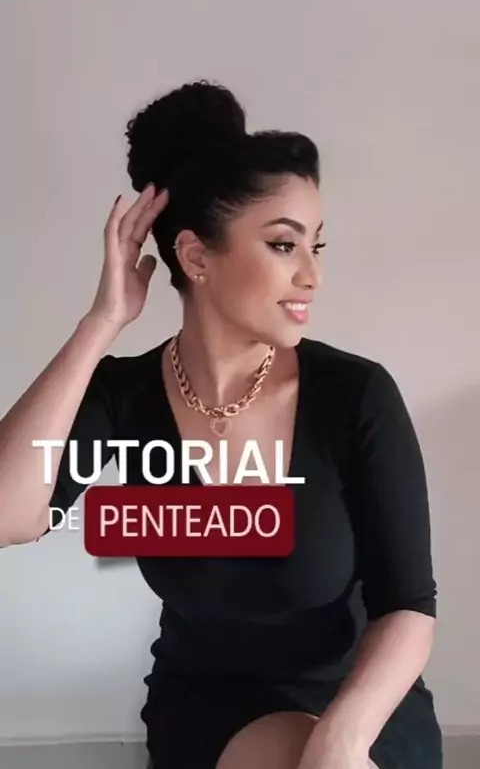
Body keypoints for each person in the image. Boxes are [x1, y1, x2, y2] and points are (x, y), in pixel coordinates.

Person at [0, 80, 443, 769]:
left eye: (317, 246)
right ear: (196, 257)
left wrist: (341, 739)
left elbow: (409, 603)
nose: (312, 277)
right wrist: (102, 322)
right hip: (211, 705)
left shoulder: (355, 395)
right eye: (283, 245)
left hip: (361, 701)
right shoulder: (125, 397)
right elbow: (10, 515)